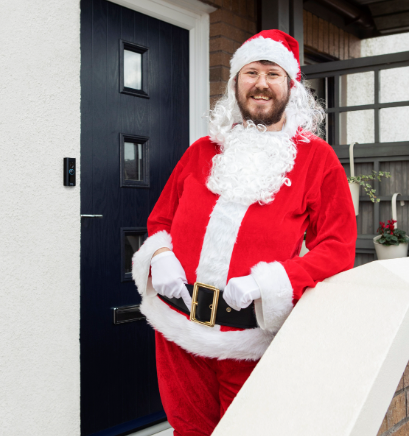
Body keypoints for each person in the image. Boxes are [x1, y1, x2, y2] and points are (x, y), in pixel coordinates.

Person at [131, 29, 357, 435]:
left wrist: (270, 280)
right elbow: (160, 220)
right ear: (236, 83)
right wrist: (160, 256)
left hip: (249, 338)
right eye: (251, 72)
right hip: (178, 329)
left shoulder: (317, 159)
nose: (261, 84)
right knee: (189, 429)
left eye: (273, 73)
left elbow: (337, 247)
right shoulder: (203, 149)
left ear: (291, 86)